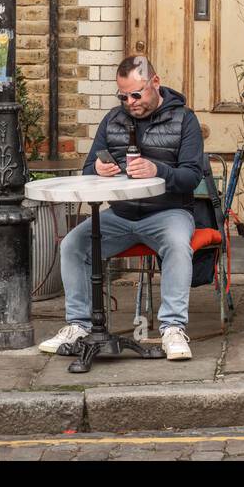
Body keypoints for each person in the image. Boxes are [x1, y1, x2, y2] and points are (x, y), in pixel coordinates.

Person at [40, 55, 204, 361]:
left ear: (155, 83)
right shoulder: (113, 120)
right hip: (121, 214)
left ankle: (172, 329)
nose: (130, 102)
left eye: (136, 94)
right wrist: (98, 170)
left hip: (168, 212)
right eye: (123, 95)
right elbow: (89, 167)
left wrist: (158, 170)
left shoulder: (184, 119)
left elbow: (191, 178)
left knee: (178, 245)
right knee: (74, 245)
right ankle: (78, 325)